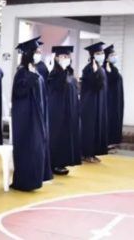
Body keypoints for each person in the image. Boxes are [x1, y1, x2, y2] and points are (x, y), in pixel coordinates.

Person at [10, 38, 52, 191]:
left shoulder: (36, 70)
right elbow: (19, 92)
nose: (38, 54)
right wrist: (31, 77)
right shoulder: (22, 72)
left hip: (38, 117)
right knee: (28, 149)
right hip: (26, 120)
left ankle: (36, 180)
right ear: (29, 54)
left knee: (37, 148)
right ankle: (24, 182)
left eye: (40, 52)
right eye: (36, 52)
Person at [47, 46, 81, 176]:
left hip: (70, 111)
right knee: (57, 136)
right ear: (56, 58)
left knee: (67, 137)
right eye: (63, 57)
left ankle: (63, 162)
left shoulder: (69, 73)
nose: (66, 59)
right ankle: (54, 163)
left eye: (67, 57)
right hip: (58, 111)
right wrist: (61, 70)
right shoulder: (54, 74)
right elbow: (56, 88)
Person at [81, 41, 109, 162]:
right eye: (98, 53)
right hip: (89, 103)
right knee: (89, 128)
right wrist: (95, 72)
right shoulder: (88, 69)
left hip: (99, 103)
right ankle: (86, 153)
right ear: (92, 55)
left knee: (97, 127)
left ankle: (93, 153)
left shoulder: (101, 68)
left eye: (102, 53)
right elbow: (94, 85)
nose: (101, 55)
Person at [104, 45, 124, 147]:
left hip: (117, 99)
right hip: (109, 100)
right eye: (112, 55)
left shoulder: (113, 68)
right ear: (107, 58)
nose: (114, 57)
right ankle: (108, 141)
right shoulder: (104, 69)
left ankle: (114, 140)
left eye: (115, 55)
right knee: (109, 118)